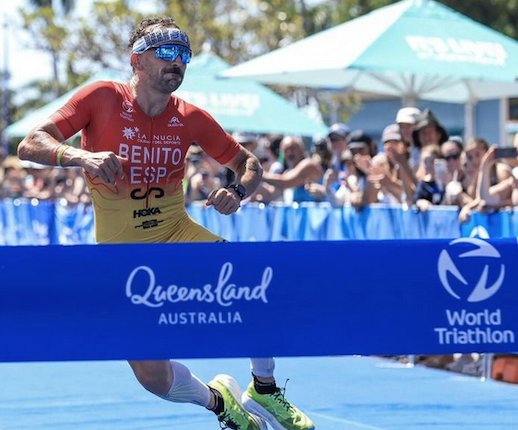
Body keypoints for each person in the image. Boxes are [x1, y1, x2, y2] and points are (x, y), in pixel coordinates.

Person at [17, 17, 314, 430]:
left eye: (184, 54)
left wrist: (238, 192)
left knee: (252, 284)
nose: (178, 62)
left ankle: (264, 388)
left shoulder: (190, 117)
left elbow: (248, 164)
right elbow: (30, 143)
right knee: (153, 378)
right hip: (122, 256)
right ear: (138, 60)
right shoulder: (102, 96)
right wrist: (81, 157)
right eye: (167, 53)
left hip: (177, 234)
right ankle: (219, 403)